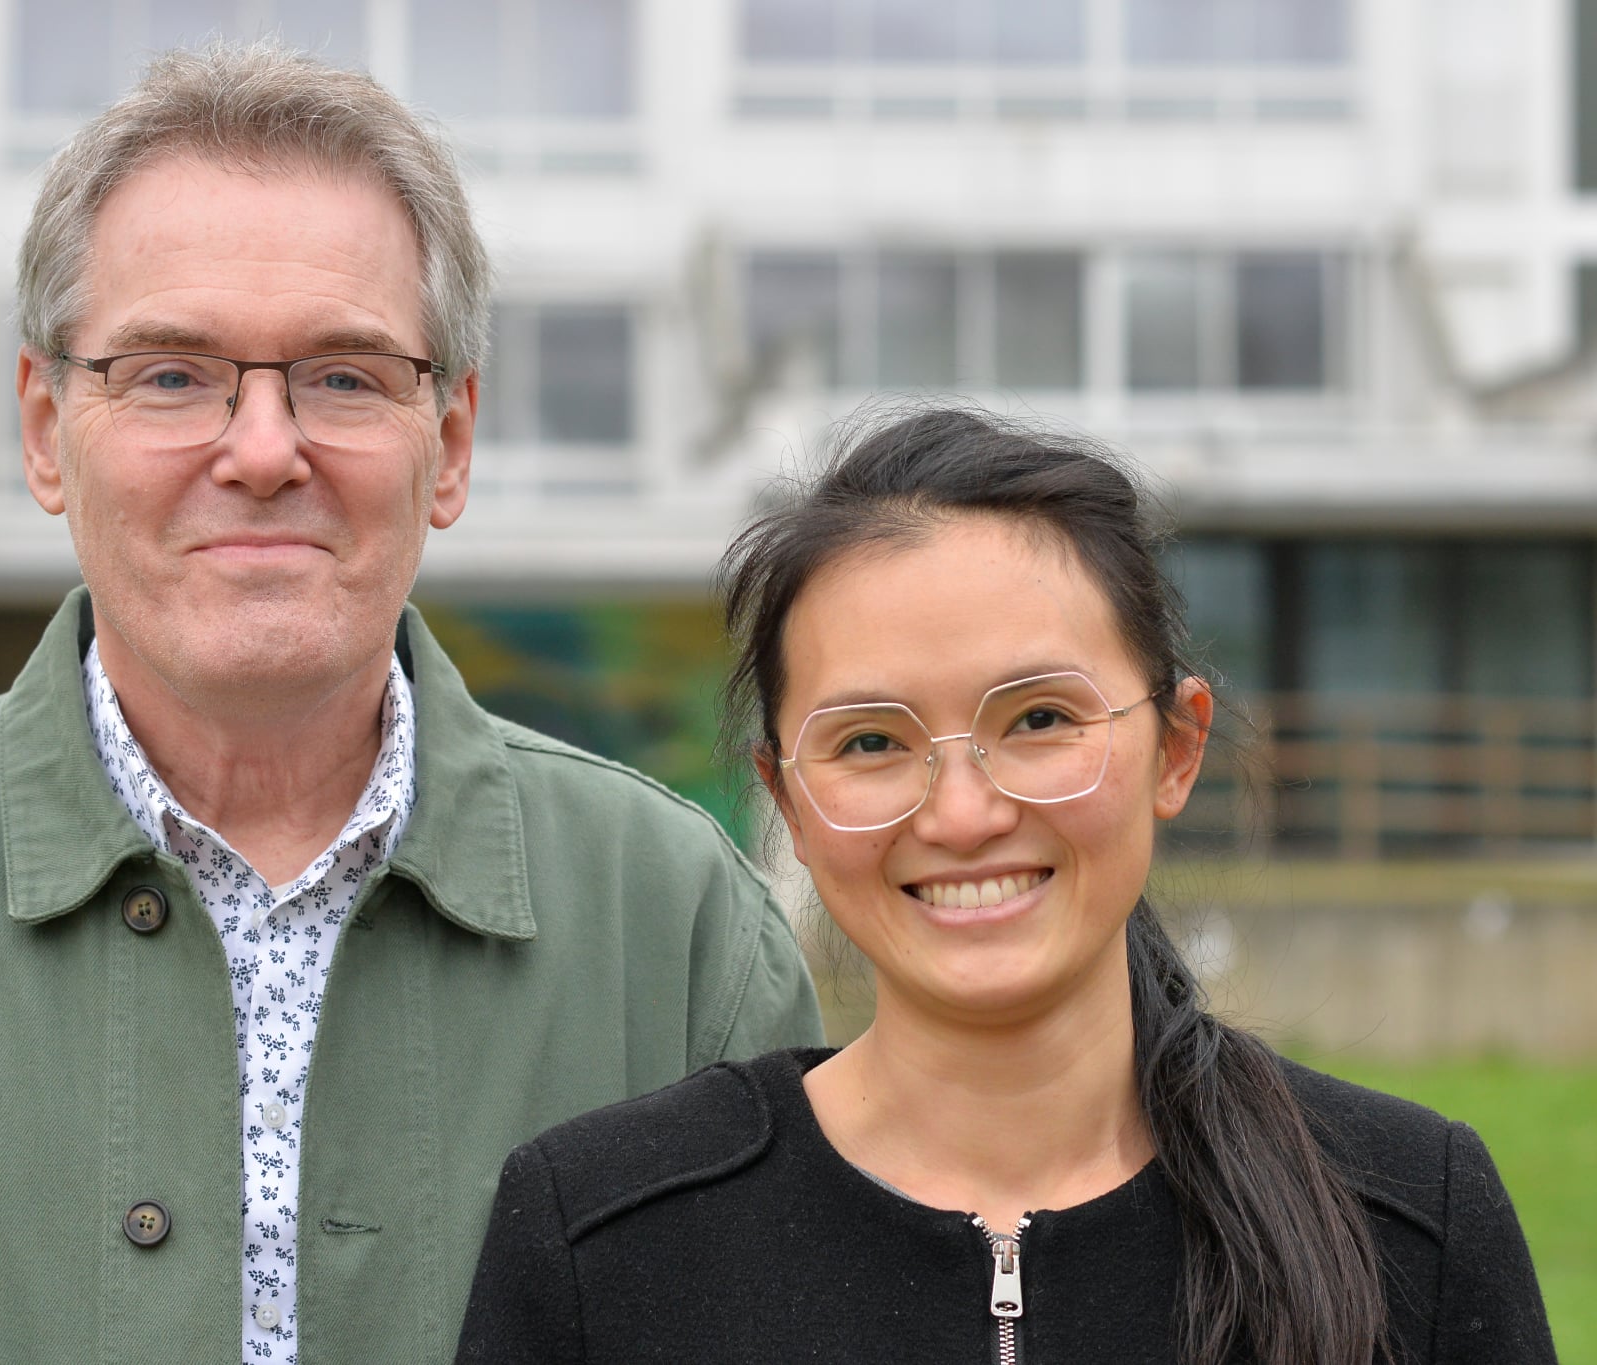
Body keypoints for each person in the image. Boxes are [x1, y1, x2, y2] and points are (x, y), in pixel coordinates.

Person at [0, 44, 821, 1363]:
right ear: (45, 430)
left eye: (344, 374)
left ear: (448, 443)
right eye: (169, 374)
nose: (264, 450)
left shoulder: (679, 933)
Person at [455, 407, 1556, 1364]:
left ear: (1173, 749)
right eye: (872, 741)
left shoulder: (1411, 1220)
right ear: (783, 800)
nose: (962, 813)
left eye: (1037, 721)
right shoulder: (600, 1237)